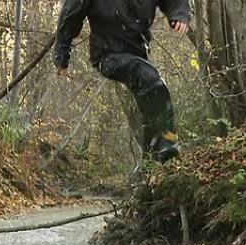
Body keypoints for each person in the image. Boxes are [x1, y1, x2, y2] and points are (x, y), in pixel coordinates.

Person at [54, 0, 190, 163]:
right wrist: (62, 56)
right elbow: (70, 15)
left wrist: (179, 14)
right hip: (107, 55)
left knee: (148, 97)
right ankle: (165, 146)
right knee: (151, 78)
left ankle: (151, 163)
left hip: (138, 53)